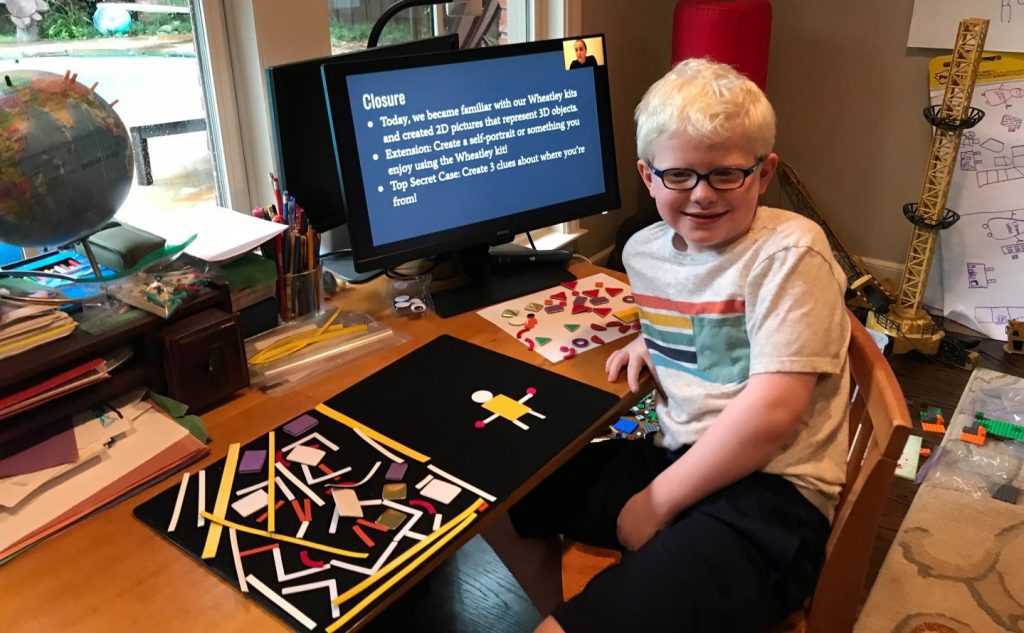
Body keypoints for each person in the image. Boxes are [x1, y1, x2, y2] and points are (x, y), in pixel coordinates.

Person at [485, 58, 851, 633]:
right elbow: (716, 315)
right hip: (680, 455)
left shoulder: (791, 252)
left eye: (726, 174)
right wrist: (654, 340)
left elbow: (773, 412)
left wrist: (657, 502)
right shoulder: (644, 251)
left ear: (764, 172)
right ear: (648, 176)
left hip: (775, 496)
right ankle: (570, 608)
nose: (701, 195)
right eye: (679, 175)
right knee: (498, 497)